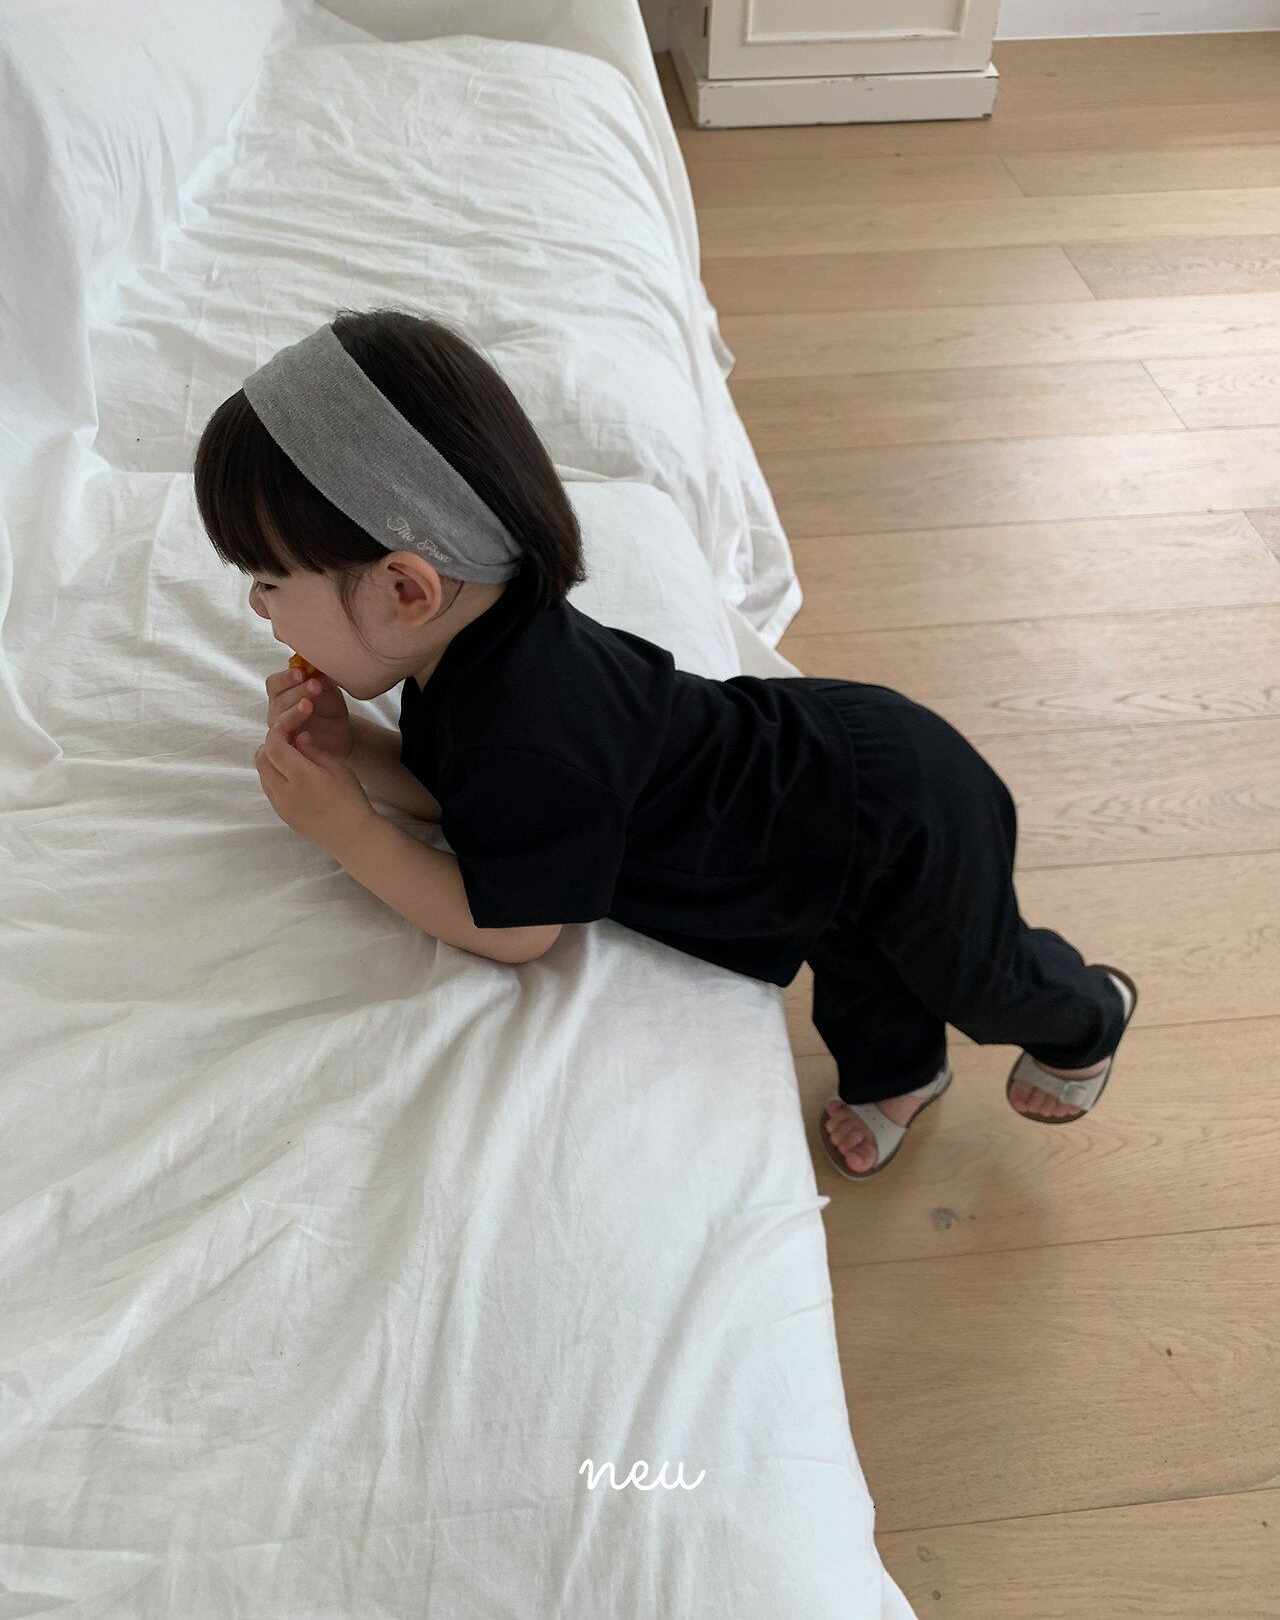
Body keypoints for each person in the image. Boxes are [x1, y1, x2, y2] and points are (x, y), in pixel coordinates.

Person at [193, 307, 1139, 1184]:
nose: (259, 607)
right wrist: (354, 750)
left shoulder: (531, 722)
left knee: (974, 973)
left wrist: (347, 830)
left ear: (408, 589)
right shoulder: (476, 646)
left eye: (270, 581)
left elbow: (515, 929)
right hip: (815, 809)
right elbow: (471, 800)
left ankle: (1088, 1016)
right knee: (858, 955)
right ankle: (905, 1072)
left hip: (890, 813)